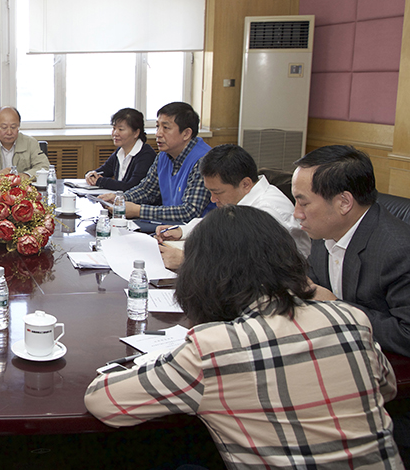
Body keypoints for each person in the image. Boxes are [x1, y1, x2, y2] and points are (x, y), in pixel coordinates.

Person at [85, 205, 401, 468]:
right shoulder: (350, 318)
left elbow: (103, 401)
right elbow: (386, 387)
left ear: (201, 274)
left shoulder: (213, 348)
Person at [293, 144, 410, 357]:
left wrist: (337, 308)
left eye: (304, 204)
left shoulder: (399, 251)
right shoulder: (325, 231)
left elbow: (406, 335)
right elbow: (312, 284)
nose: (296, 213)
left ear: (344, 202)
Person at [156, 144, 310, 268]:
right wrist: (182, 231)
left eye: (217, 192)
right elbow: (216, 223)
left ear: (245, 184)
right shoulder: (242, 200)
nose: (213, 199)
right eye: (210, 191)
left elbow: (245, 265)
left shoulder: (268, 211)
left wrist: (187, 260)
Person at [100, 101, 213, 225]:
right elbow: (148, 190)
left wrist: (139, 211)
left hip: (197, 231)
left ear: (186, 133)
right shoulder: (163, 156)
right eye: (157, 127)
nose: (158, 134)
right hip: (169, 228)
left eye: (166, 128)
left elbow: (190, 212)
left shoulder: (204, 160)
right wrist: (120, 199)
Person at [83, 107, 156, 191]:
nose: (115, 133)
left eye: (121, 129)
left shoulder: (146, 155)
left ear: (136, 133)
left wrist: (100, 181)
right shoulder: (120, 151)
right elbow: (103, 171)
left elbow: (132, 186)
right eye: (114, 128)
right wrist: (91, 175)